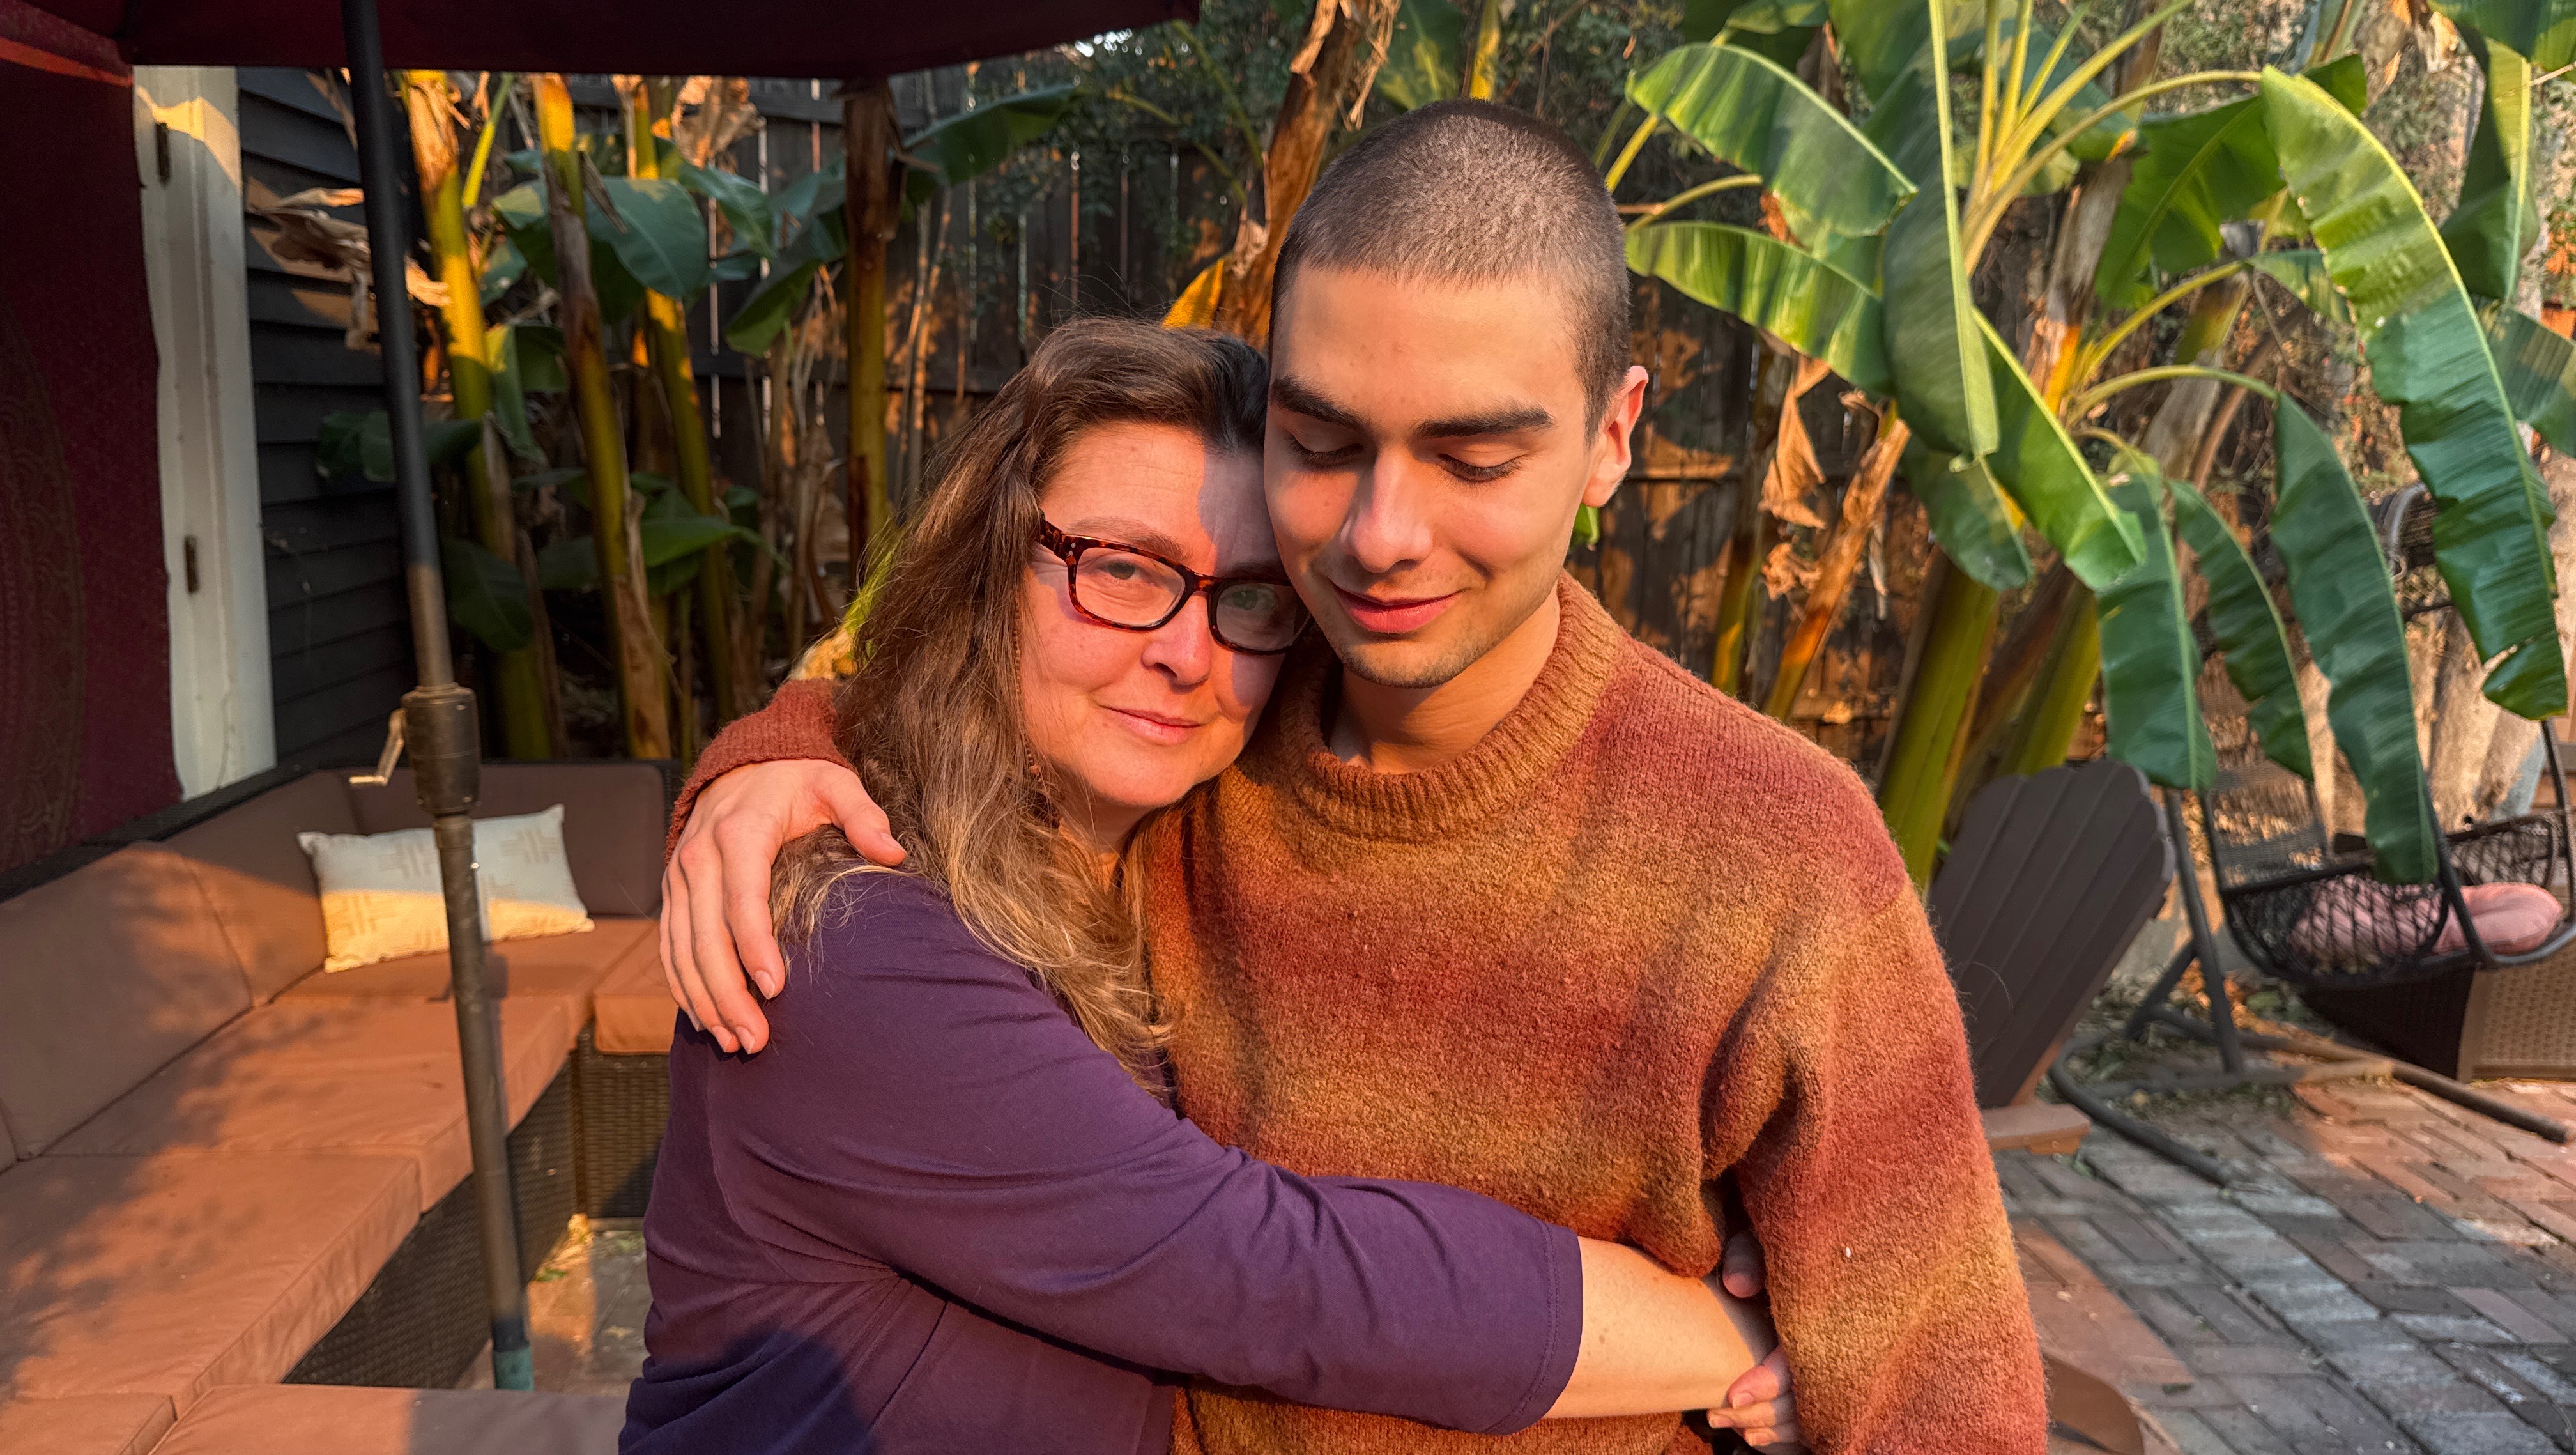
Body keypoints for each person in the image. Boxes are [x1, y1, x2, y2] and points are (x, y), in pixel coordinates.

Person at [665, 101, 2047, 1453]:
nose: (1381, 536)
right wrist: (771, 759)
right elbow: (1259, 1266)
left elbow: (1945, 1396)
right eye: (1323, 447)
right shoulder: (1210, 729)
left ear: (1613, 436)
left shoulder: (1779, 856)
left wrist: (1831, 1332)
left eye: (1474, 457)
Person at [626, 319, 1805, 1454]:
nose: (1188, 652)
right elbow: (1263, 1272)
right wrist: (1736, 1336)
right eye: (1121, 569)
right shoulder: (850, 943)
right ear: (983, 565)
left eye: (1249, 596)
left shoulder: (1173, 860)